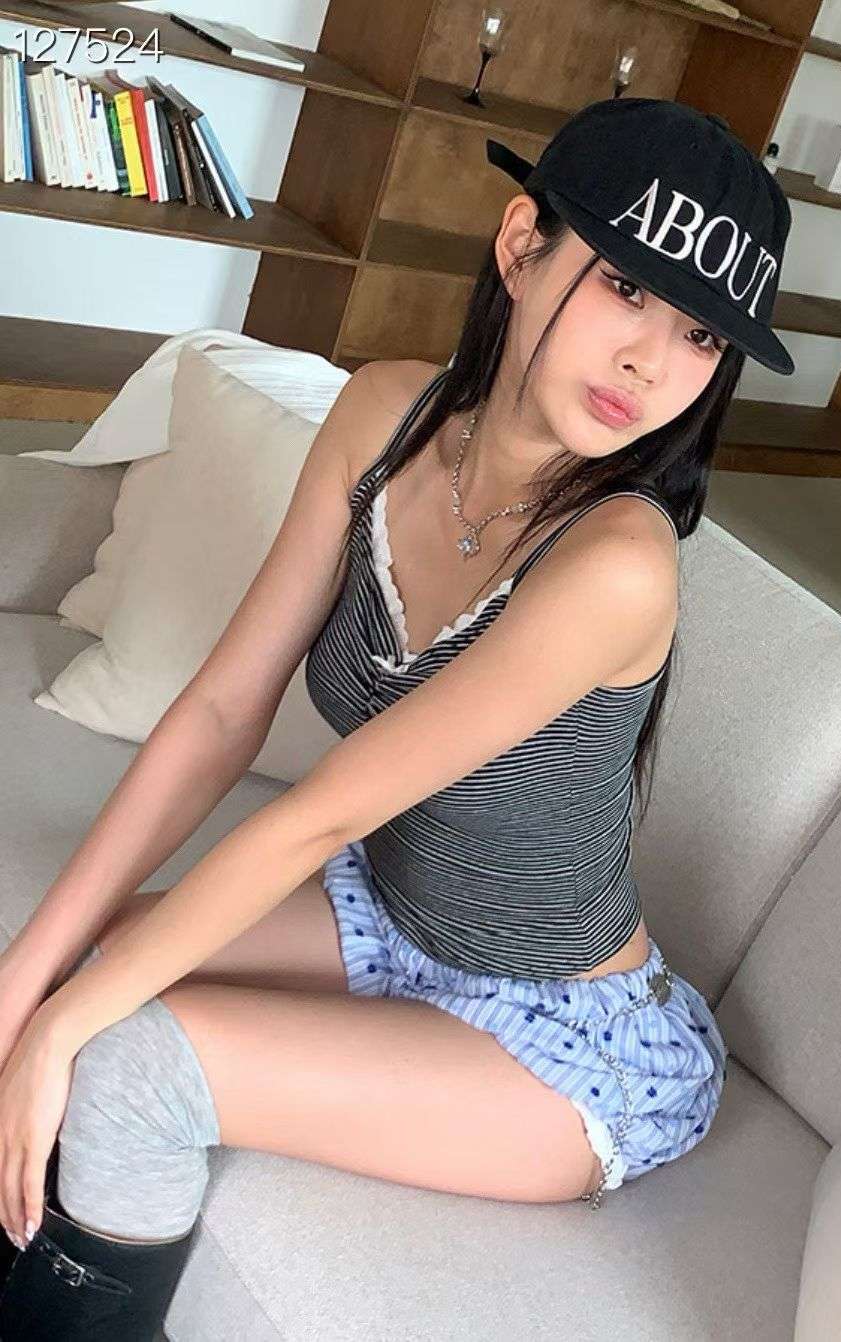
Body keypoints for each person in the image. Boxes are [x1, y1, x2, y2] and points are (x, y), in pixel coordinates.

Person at [0, 95, 795, 1338]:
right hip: (385, 910)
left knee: (126, 1056)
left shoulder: (617, 562)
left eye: (698, 333)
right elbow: (221, 709)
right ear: (521, 243)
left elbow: (319, 813)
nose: (650, 361)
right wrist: (27, 982)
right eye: (624, 288)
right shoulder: (386, 416)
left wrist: (60, 1027)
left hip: (567, 1033)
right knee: (63, 967)